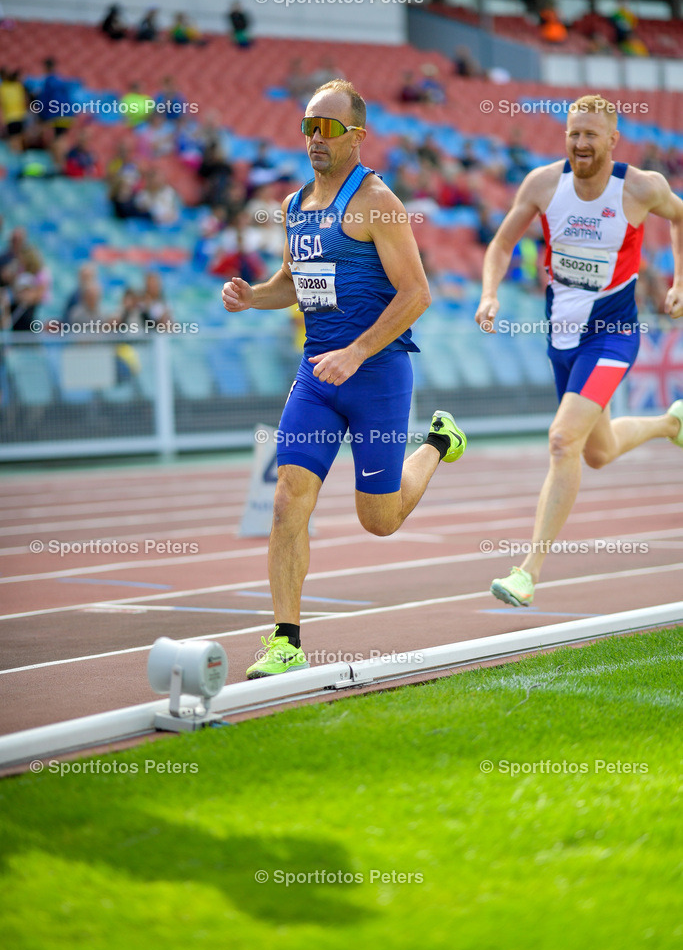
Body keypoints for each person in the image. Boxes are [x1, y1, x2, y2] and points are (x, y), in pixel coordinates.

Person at [222, 78, 467, 678]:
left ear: (358, 136)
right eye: (307, 125)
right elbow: (292, 281)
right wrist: (254, 296)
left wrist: (356, 353)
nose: (314, 137)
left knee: (378, 520)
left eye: (327, 126)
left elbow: (417, 294)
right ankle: (285, 640)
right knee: (287, 503)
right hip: (316, 378)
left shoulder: (379, 201)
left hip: (377, 373)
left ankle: (438, 442)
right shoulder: (293, 206)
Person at [475, 94, 683, 607]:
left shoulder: (640, 188)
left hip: (612, 334)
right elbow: (501, 244)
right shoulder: (544, 184)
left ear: (613, 139)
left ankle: (528, 571)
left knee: (563, 440)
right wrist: (489, 292)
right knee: (598, 451)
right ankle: (671, 425)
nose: (581, 143)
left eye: (591, 134)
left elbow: (681, 217)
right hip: (562, 337)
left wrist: (680, 279)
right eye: (573, 133)